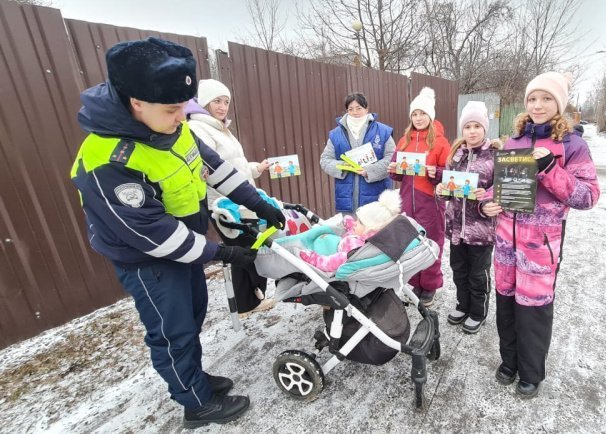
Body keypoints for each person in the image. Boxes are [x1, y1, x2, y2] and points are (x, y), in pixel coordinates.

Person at [69, 38, 286, 428]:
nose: (181, 119)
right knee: (173, 331)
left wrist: (259, 203)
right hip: (148, 260)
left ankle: (195, 380)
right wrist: (222, 253)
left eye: (184, 109)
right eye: (172, 110)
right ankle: (195, 404)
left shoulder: (174, 127)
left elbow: (214, 166)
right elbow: (153, 232)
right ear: (136, 102)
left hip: (187, 247)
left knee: (194, 315)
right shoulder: (107, 159)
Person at [481, 72, 600, 398]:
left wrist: (550, 169)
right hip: (505, 241)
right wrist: (488, 203)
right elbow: (499, 188)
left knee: (532, 308)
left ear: (559, 104)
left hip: (540, 245)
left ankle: (531, 373)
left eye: (547, 98)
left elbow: (587, 196)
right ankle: (509, 362)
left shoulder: (572, 145)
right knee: (505, 304)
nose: (538, 105)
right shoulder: (514, 140)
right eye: (533, 98)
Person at [185, 79, 273, 317]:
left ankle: (251, 300)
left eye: (226, 101)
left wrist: (256, 168)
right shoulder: (197, 129)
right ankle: (246, 304)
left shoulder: (220, 127)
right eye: (217, 101)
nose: (223, 107)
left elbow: (235, 165)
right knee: (242, 251)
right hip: (224, 204)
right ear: (204, 102)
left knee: (247, 249)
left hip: (241, 198)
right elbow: (215, 170)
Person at [436, 101, 501, 334]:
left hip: (481, 230)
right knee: (459, 270)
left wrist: (485, 203)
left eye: (477, 126)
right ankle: (463, 306)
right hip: (456, 228)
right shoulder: (456, 155)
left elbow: (499, 193)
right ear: (462, 130)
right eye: (467, 127)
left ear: (485, 128)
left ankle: (477, 312)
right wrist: (440, 192)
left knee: (477, 274)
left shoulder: (494, 156)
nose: (472, 131)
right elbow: (447, 189)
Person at [388, 87, 451, 306]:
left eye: (422, 113)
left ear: (430, 116)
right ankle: (414, 281)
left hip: (430, 201)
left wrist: (438, 174)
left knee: (431, 242)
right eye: (414, 114)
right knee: (410, 243)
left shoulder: (441, 142)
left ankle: (431, 285)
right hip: (407, 199)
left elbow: (450, 174)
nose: (418, 118)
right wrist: (393, 168)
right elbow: (396, 173)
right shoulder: (404, 140)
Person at [320, 92, 395, 214]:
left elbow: (392, 158)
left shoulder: (382, 131)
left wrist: (369, 171)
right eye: (351, 109)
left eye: (359, 108)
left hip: (377, 196)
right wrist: (343, 166)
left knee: (376, 231)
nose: (355, 112)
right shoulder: (336, 134)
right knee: (351, 230)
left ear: (366, 109)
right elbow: (325, 159)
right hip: (347, 198)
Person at [300, 190, 401, 272]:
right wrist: (350, 225)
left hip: (325, 252)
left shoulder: (355, 250)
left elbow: (331, 263)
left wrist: (313, 258)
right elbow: (357, 234)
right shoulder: (369, 239)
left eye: (360, 222)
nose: (356, 223)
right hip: (335, 242)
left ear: (371, 228)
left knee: (299, 242)